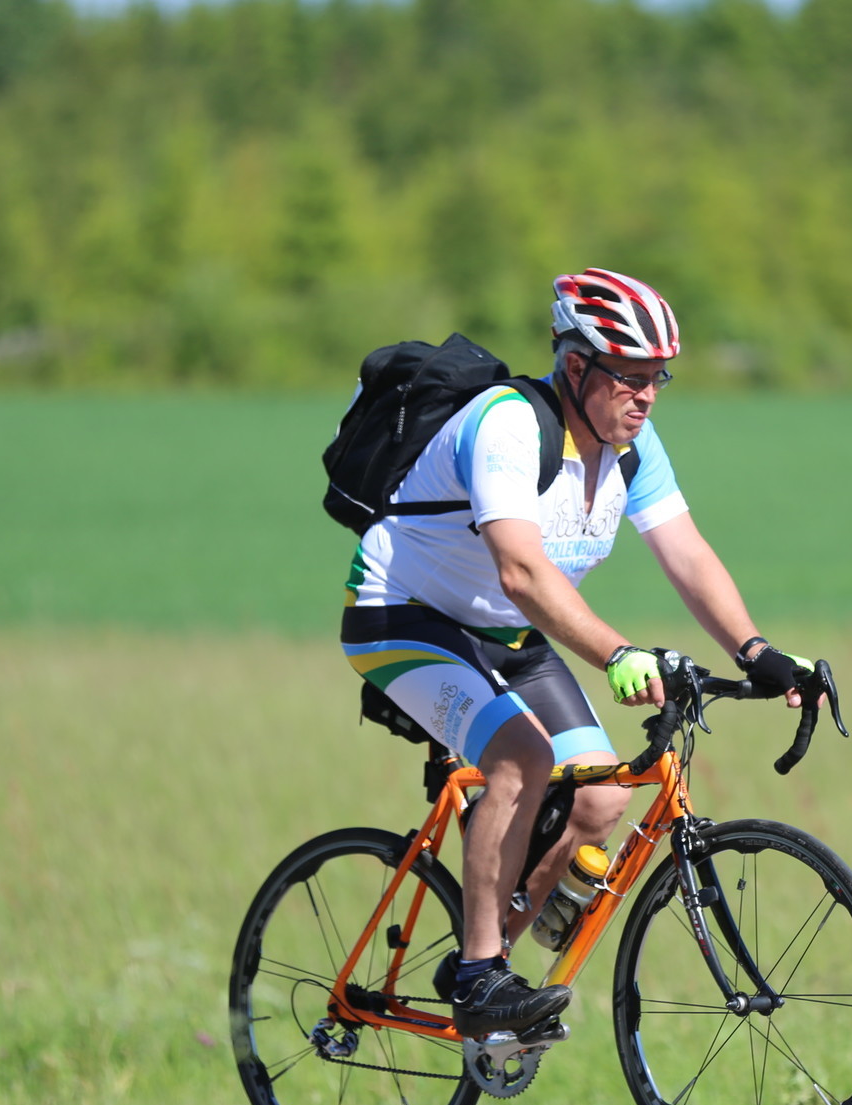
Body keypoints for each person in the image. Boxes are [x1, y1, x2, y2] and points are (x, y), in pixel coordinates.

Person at [339, 268, 818, 1038]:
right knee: (522, 758)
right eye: (629, 376)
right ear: (574, 366)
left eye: (657, 377)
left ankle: (485, 963)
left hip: (507, 634)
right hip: (404, 618)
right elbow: (521, 572)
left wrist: (757, 650)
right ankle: (481, 976)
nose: (647, 395)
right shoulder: (507, 425)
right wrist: (618, 652)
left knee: (599, 796)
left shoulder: (633, 446)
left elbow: (686, 553)